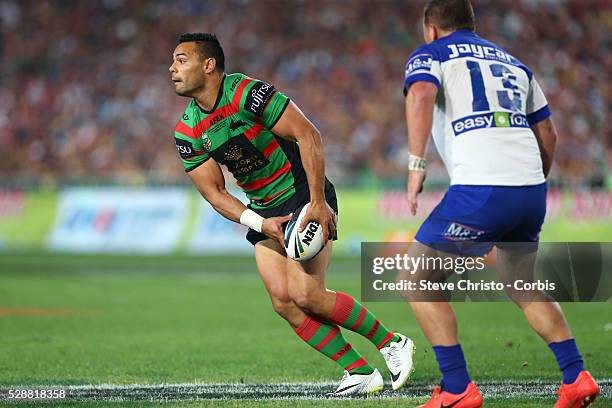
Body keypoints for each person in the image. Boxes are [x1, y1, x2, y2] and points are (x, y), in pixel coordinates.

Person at [169, 32, 414, 395]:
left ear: (209, 65)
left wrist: (317, 201)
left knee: (307, 294)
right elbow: (215, 193)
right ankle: (359, 371)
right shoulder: (187, 131)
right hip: (264, 211)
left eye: (181, 59)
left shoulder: (247, 93)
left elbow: (308, 136)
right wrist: (259, 222)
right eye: (172, 62)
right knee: (283, 301)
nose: (172, 68)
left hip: (302, 195)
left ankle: (392, 342)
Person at [402, 1, 600, 407]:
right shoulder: (515, 63)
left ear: (433, 29)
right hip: (530, 189)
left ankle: (457, 388)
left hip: (481, 187)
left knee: (415, 278)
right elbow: (549, 134)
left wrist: (416, 165)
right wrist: (529, 185)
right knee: (522, 284)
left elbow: (421, 92)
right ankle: (576, 376)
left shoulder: (431, 53)